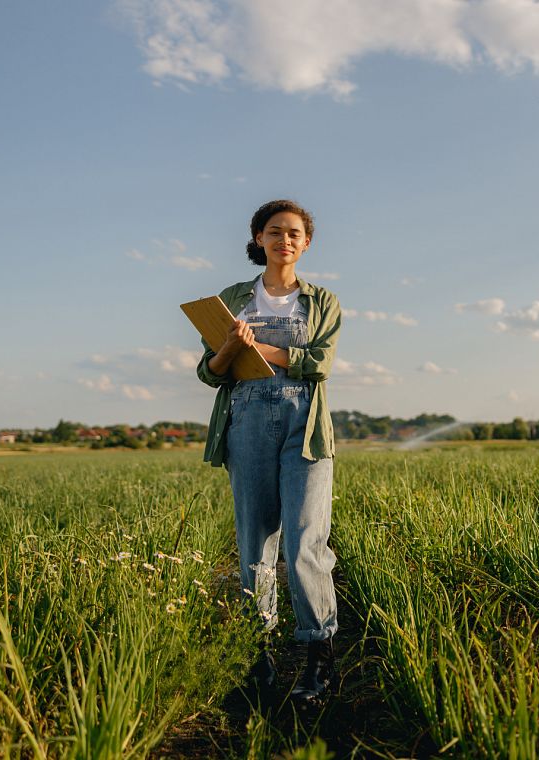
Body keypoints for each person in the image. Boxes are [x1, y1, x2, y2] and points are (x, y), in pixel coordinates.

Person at [195, 199, 341, 703]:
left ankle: (316, 661)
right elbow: (209, 372)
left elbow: (317, 364)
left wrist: (257, 348)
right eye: (274, 231)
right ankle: (255, 657)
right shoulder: (232, 297)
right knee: (254, 541)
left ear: (306, 243)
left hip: (305, 429)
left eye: (295, 233)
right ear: (258, 238)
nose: (285, 239)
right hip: (247, 422)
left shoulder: (322, 302)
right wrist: (231, 348)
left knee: (305, 543)